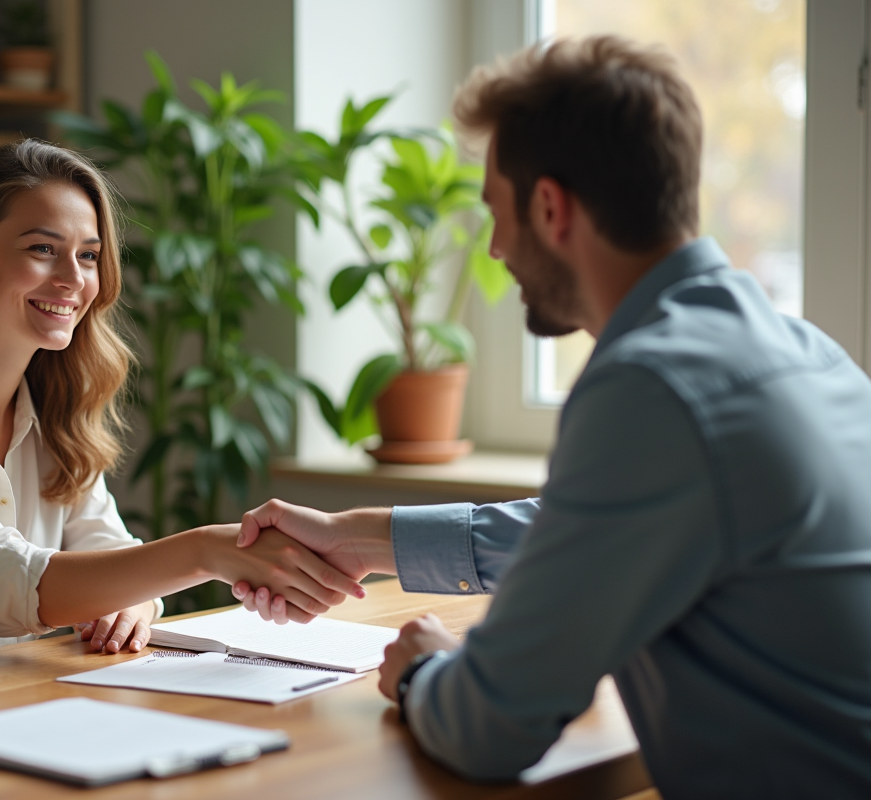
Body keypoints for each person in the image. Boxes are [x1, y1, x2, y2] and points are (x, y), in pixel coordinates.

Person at [233, 36, 871, 799]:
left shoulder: (651, 385)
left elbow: (492, 727)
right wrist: (362, 538)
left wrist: (423, 672)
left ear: (550, 207)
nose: (497, 248)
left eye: (496, 214)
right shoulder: (803, 352)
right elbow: (592, 529)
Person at [0, 140, 362, 681]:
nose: (73, 280)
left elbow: (109, 551)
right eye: (42, 249)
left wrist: (133, 596)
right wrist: (207, 550)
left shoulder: (56, 412)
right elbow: (4, 585)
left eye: (88, 256)